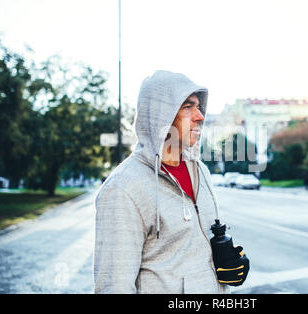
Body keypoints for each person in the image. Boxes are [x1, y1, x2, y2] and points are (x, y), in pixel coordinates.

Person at [93, 70, 249, 294]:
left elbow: (196, 244)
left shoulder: (201, 171)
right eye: (187, 107)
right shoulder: (123, 188)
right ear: (160, 116)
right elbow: (114, 286)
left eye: (198, 106)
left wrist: (231, 260)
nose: (200, 116)